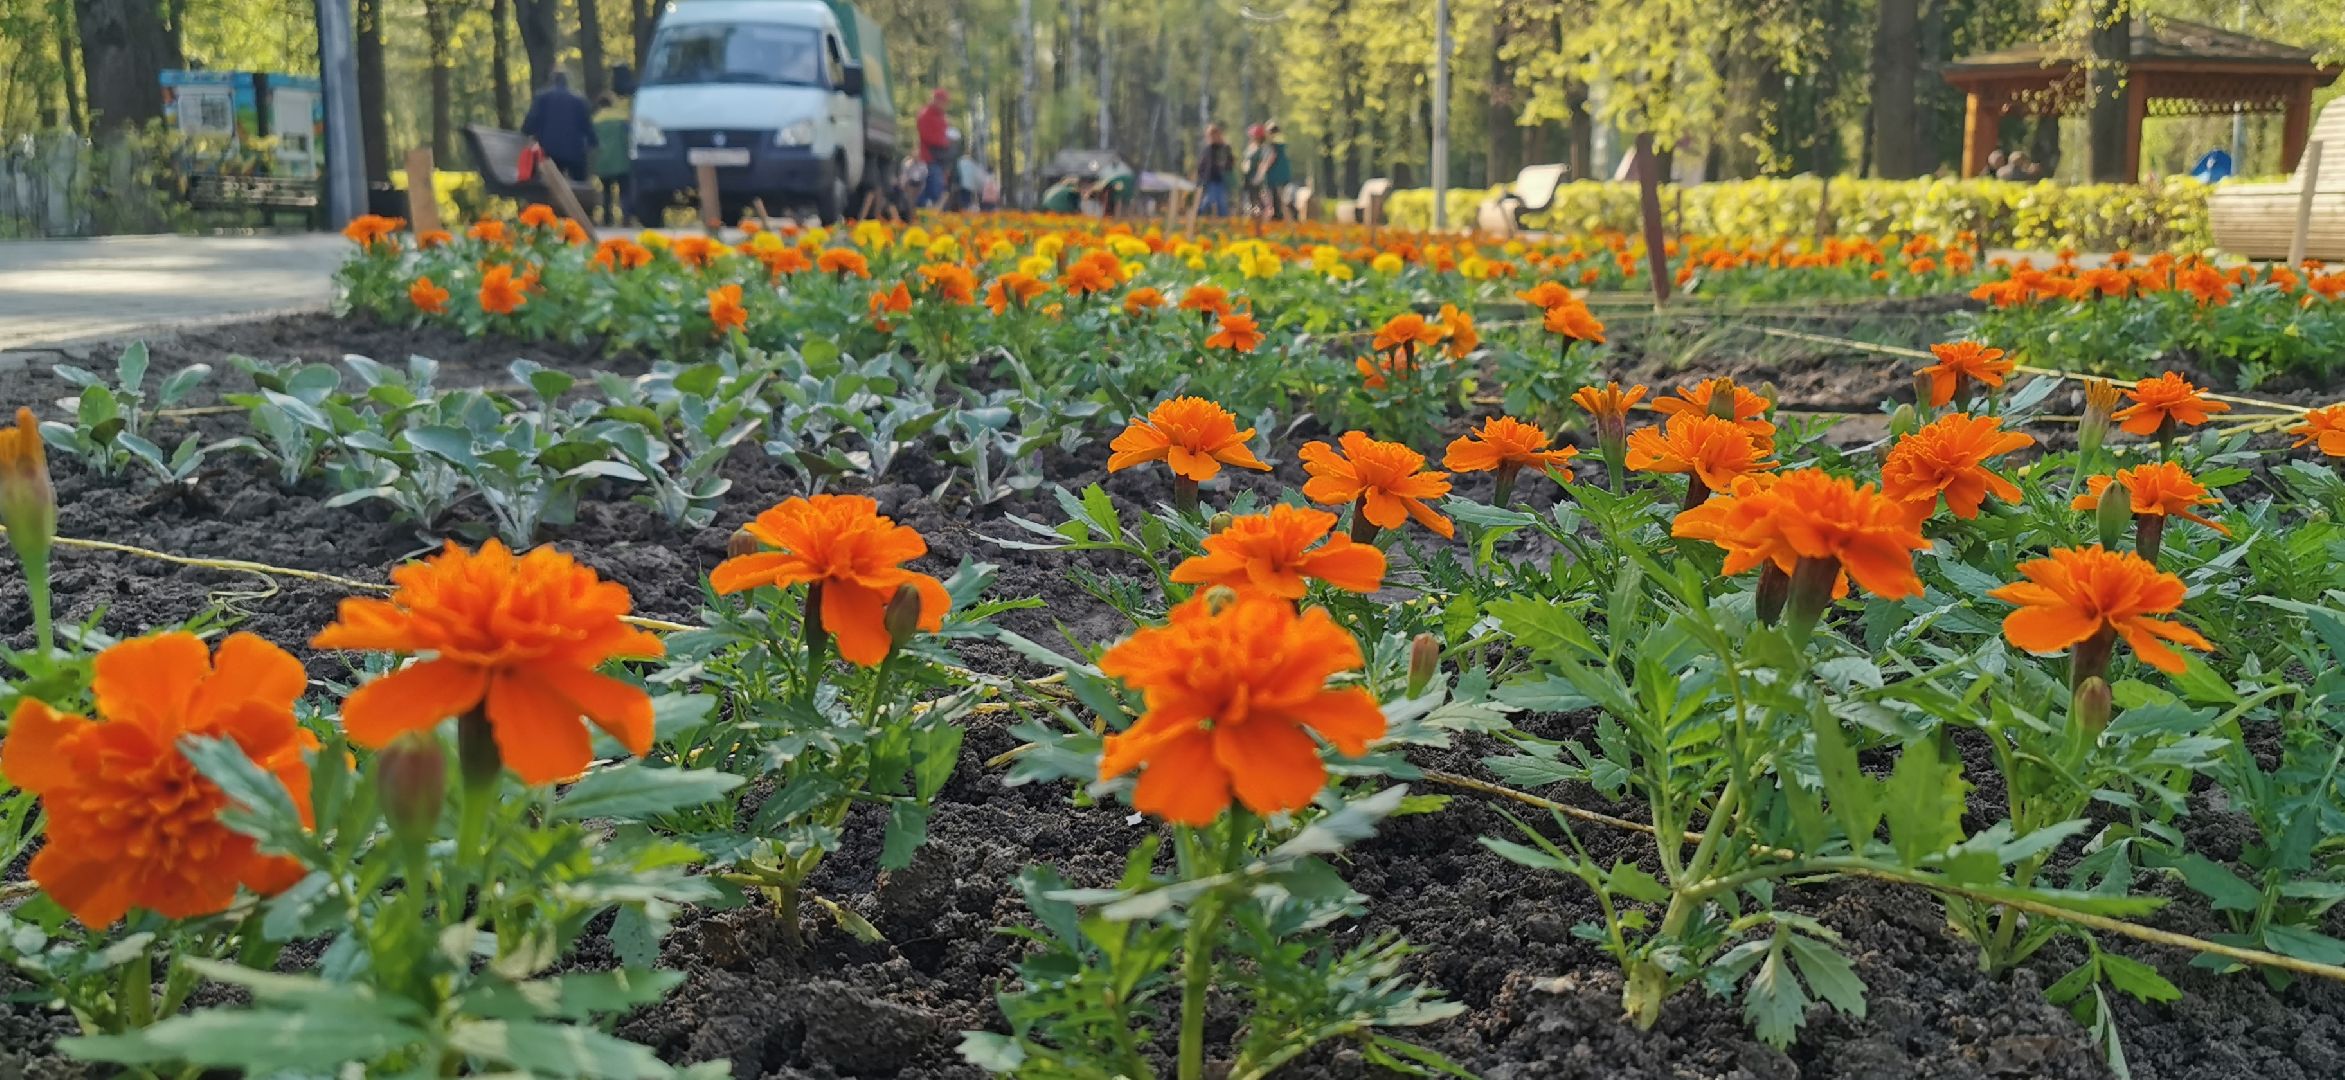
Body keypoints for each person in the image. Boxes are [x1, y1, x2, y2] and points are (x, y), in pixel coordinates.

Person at [521, 71, 595, 182]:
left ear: (552, 82)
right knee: (580, 180)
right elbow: (587, 127)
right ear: (567, 83)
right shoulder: (579, 101)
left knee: (547, 179)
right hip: (575, 153)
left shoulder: (542, 98)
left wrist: (527, 131)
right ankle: (580, 197)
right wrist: (593, 142)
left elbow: (530, 123)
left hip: (549, 153)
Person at [590, 92, 631, 225]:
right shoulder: (622, 118)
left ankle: (607, 219)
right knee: (625, 191)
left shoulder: (595, 120)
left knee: (607, 192)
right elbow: (629, 137)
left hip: (604, 163)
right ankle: (626, 218)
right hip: (622, 161)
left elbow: (592, 143)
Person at [917, 88, 951, 206]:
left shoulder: (942, 117)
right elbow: (927, 137)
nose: (945, 104)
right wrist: (943, 143)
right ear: (935, 100)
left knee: (937, 189)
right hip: (929, 158)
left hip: (940, 158)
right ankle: (922, 213)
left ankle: (928, 213)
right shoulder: (926, 115)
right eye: (943, 101)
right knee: (932, 189)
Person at [1256, 121, 1292, 220]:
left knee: (1275, 201)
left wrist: (1260, 174)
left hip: (1275, 177)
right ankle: (1284, 220)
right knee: (1281, 201)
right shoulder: (1282, 143)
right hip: (1283, 175)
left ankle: (1277, 220)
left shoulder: (1272, 144)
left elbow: (1270, 159)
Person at [1196, 123, 1234, 216]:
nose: (1212, 137)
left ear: (1218, 134)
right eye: (1210, 135)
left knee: (1219, 201)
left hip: (1221, 178)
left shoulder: (1224, 148)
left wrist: (1224, 165)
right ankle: (1199, 214)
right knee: (1211, 199)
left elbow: (1230, 162)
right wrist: (1201, 176)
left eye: (1214, 134)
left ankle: (1201, 214)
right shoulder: (1207, 149)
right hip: (1209, 178)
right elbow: (1202, 164)